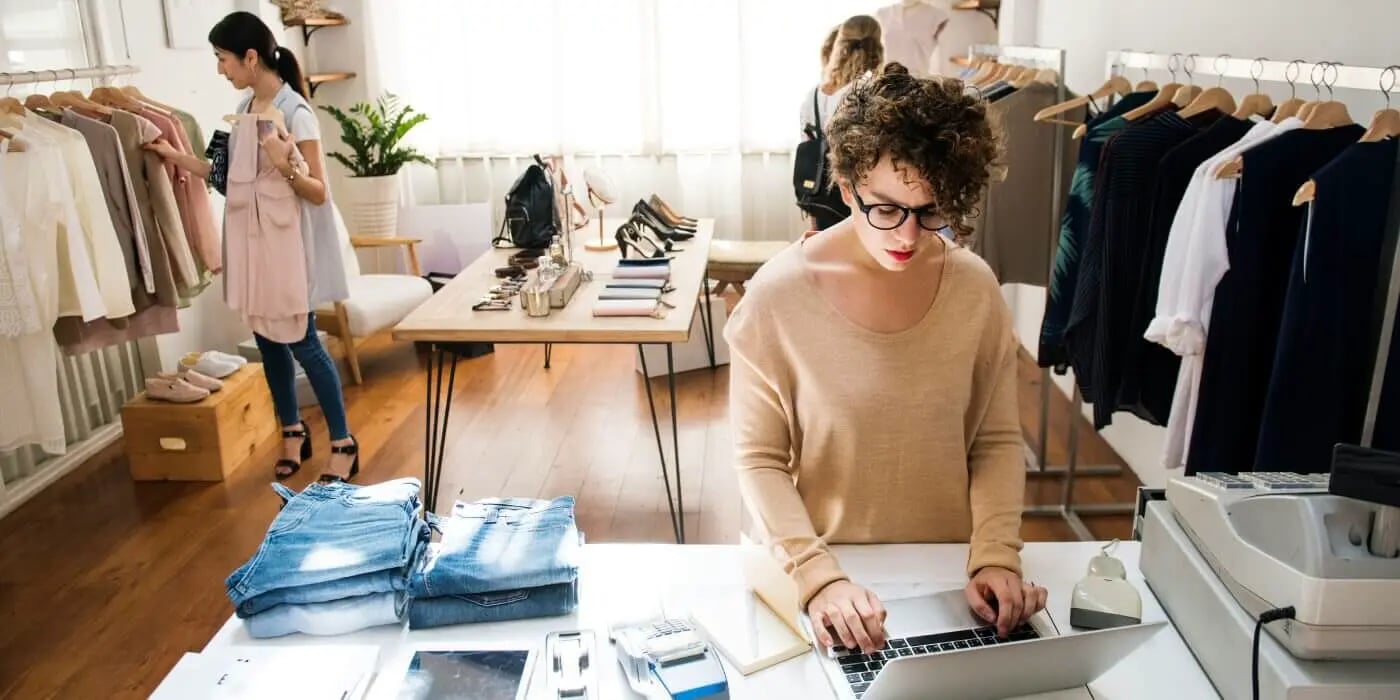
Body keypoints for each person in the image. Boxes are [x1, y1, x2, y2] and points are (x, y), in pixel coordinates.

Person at [730, 62, 1043, 657]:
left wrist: (997, 555)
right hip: (825, 575)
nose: (907, 235)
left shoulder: (974, 290)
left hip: (954, 578)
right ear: (846, 186)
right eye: (887, 208)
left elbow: (996, 441)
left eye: (930, 212)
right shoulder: (775, 299)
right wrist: (817, 577)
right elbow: (759, 460)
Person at [146, 11, 358, 483]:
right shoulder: (244, 110)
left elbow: (319, 191)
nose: (220, 69)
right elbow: (225, 177)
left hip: (288, 248)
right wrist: (175, 157)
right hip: (254, 244)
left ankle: (343, 441)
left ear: (249, 57)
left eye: (223, 59)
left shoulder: (296, 112)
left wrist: (286, 166)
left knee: (302, 341)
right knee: (267, 339)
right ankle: (292, 432)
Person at [798, 14, 885, 231]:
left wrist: (814, 221)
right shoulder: (869, 90)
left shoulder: (814, 95)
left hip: (821, 195)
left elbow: (809, 147)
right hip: (858, 195)